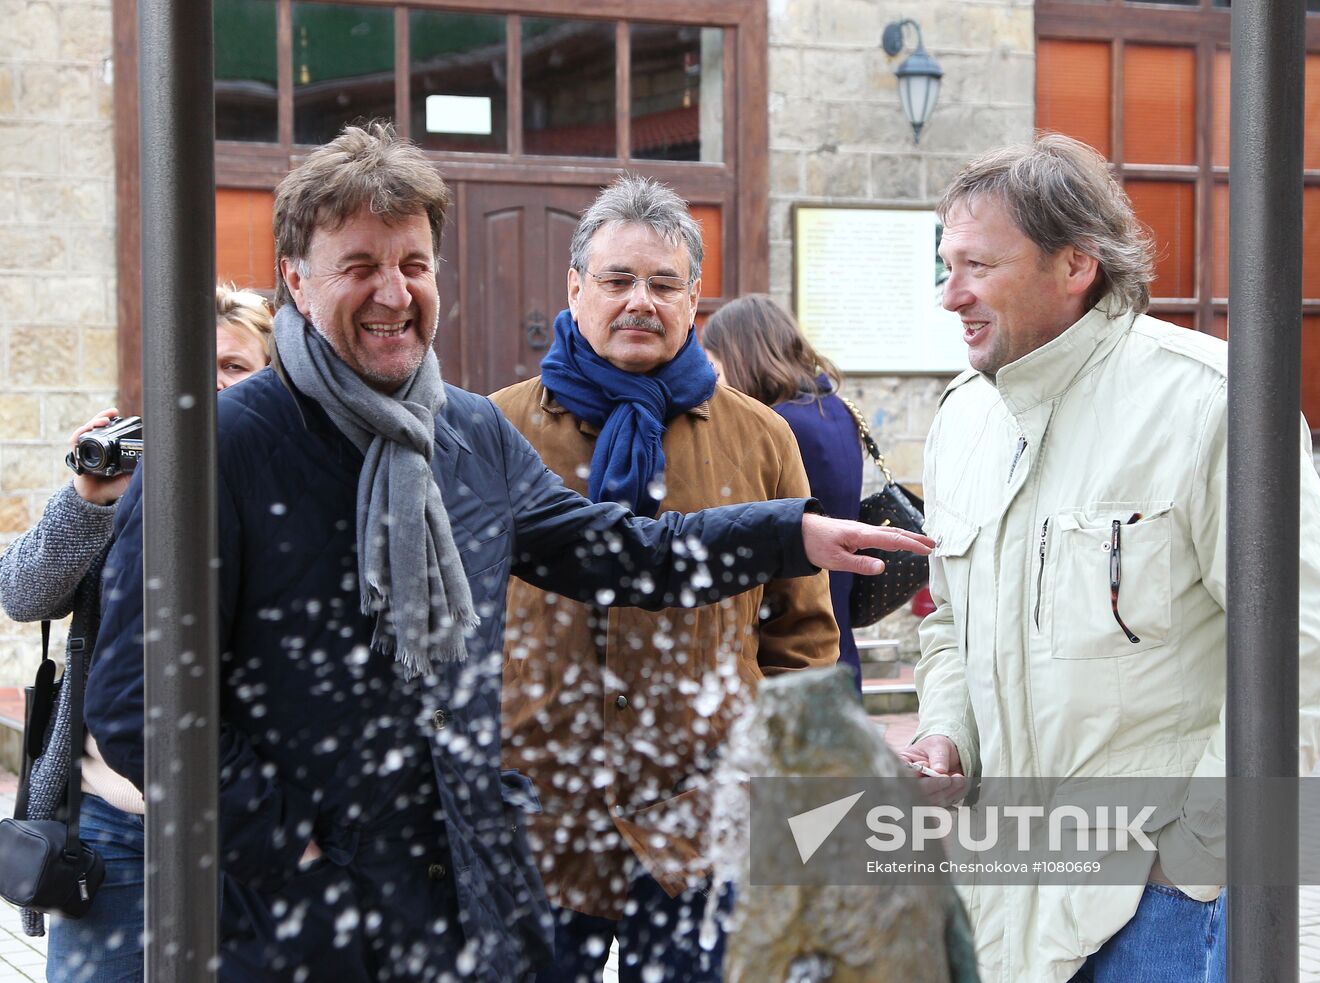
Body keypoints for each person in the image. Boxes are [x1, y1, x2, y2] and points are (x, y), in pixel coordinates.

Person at [84, 123, 930, 983]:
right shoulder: (219, 446)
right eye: (361, 266)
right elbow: (133, 702)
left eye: (413, 264)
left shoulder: (467, 434)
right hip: (290, 923)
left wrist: (785, 533)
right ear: (296, 282)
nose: (393, 292)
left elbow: (612, 550)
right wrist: (291, 840)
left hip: (458, 896)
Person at [897, 134, 1320, 983]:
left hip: (1155, 911)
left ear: (1075, 265)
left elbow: (1309, 649)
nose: (948, 294)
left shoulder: (1214, 403)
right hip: (999, 896)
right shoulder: (961, 418)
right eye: (945, 263)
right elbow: (950, 626)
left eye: (976, 266)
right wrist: (945, 732)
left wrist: (1194, 860)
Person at [491, 180, 840, 983]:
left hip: (704, 824)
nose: (638, 301)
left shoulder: (761, 440)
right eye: (616, 281)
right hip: (539, 819)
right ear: (575, 289)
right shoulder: (497, 430)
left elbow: (802, 641)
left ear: (694, 298)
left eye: (662, 283)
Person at [0, 284, 273, 981]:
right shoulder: (130, 473)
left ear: (273, 374)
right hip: (117, 826)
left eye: (236, 366)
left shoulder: (289, 481)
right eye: (193, 366)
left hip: (248, 824)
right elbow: (22, 594)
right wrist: (86, 502)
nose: (214, 384)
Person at [701, 294, 864, 686]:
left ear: (741, 356)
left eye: (715, 365)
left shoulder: (776, 427)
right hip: (836, 630)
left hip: (796, 645)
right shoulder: (833, 408)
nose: (712, 381)